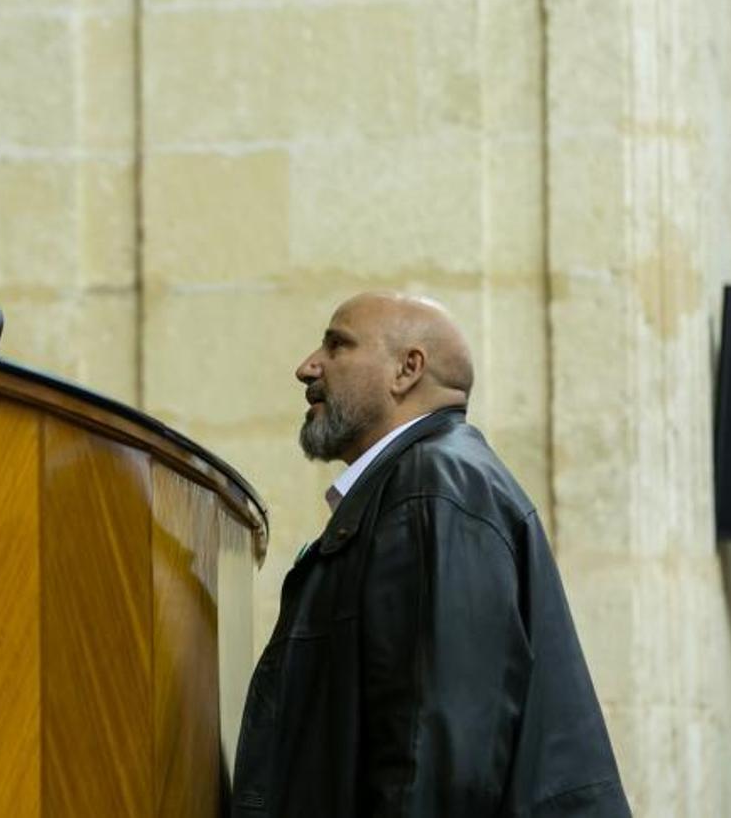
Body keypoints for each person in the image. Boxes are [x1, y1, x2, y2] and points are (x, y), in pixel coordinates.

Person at [231, 293, 630, 817]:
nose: (307, 367)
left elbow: (434, 748)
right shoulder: (429, 482)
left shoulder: (432, 485)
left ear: (407, 369)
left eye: (338, 344)